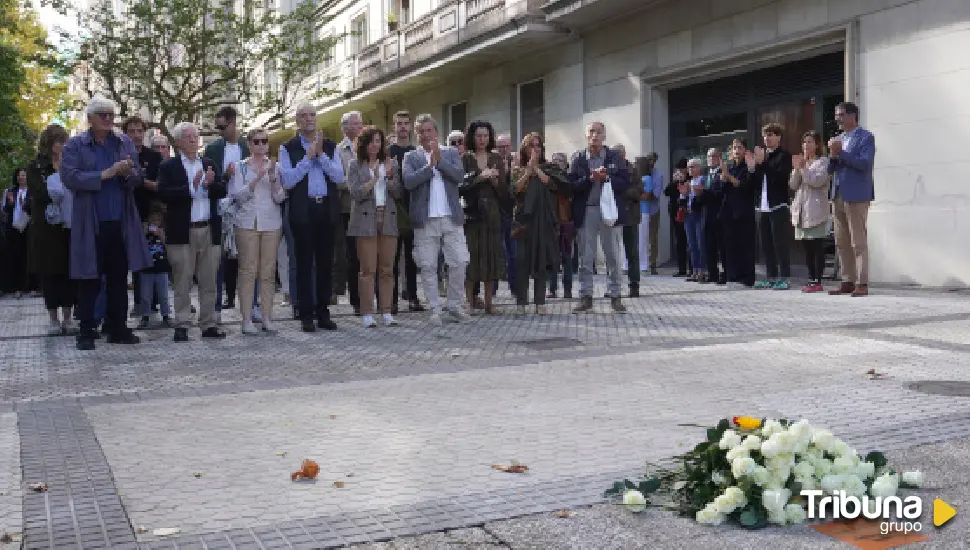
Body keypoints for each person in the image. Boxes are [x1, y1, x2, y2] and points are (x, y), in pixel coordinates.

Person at [60, 96, 153, 351]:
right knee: (89, 278)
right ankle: (86, 330)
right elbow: (69, 177)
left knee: (118, 277)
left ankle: (117, 328)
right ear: (90, 118)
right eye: (103, 114)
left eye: (111, 114)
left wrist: (128, 173)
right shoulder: (76, 145)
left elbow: (137, 179)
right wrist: (104, 174)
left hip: (120, 222)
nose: (109, 118)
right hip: (91, 223)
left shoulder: (122, 143)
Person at [157, 122, 227, 342]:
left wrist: (209, 184)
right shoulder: (169, 166)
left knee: (209, 281)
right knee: (182, 280)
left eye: (195, 136)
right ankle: (182, 324)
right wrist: (191, 187)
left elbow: (222, 189)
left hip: (208, 229)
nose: (193, 140)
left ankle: (208, 324)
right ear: (177, 141)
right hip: (182, 232)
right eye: (188, 137)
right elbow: (164, 193)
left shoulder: (208, 163)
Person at [278, 103, 344, 333]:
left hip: (325, 208)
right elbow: (288, 181)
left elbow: (338, 176)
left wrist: (321, 156)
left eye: (312, 115)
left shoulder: (329, 145)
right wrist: (307, 158)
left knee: (326, 263)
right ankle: (305, 313)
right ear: (297, 121)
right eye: (303, 115)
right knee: (304, 263)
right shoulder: (288, 148)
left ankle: (323, 311)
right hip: (303, 211)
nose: (309, 119)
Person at [402, 113, 470, 325]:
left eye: (428, 130)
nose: (425, 135)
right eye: (420, 132)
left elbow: (459, 177)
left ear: (437, 132)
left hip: (451, 217)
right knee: (428, 265)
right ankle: (434, 308)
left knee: (459, 261)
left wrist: (439, 162)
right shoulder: (410, 157)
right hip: (425, 219)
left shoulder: (450, 153)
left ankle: (454, 305)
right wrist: (429, 166)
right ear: (416, 135)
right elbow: (409, 182)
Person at [568, 121, 630, 314]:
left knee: (612, 255)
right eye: (591, 132)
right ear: (586, 135)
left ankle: (615, 296)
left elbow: (625, 182)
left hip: (609, 211)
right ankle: (586, 297)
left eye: (598, 132)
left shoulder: (614, 156)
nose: (594, 135)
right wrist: (589, 179)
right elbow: (571, 186)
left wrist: (607, 178)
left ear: (604, 136)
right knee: (585, 257)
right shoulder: (578, 158)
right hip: (587, 210)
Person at [230, 127, 285, 334]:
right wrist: (256, 179)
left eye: (265, 141)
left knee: (268, 272)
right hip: (247, 223)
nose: (262, 145)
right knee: (247, 271)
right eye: (257, 142)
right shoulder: (240, 167)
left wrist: (271, 177)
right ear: (250, 145)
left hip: (271, 222)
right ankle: (246, 320)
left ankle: (267, 317)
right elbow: (237, 196)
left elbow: (280, 198)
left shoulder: (276, 167)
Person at [347, 126, 402, 327]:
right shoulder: (355, 165)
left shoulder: (391, 164)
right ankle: (367, 313)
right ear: (363, 144)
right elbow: (355, 193)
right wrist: (373, 180)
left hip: (387, 218)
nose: (375, 145)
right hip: (364, 221)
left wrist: (387, 177)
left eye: (378, 141)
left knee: (387, 269)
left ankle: (386, 312)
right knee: (367, 269)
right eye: (371, 141)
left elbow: (398, 193)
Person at [511, 132, 568, 314]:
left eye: (538, 145)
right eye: (531, 145)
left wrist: (536, 169)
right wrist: (528, 171)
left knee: (541, 261)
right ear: (524, 149)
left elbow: (553, 185)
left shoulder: (549, 167)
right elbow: (515, 189)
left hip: (543, 221)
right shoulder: (516, 168)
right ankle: (521, 302)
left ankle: (540, 302)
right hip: (522, 221)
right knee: (521, 261)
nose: (535, 149)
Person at [27, 124, 75, 335]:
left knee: (68, 273)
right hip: (46, 230)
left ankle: (68, 318)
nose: (64, 146)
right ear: (50, 143)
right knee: (50, 275)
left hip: (67, 226)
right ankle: (53, 319)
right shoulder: (36, 166)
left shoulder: (70, 164)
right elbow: (39, 192)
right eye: (60, 142)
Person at [205, 106, 250, 318]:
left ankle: (250, 306)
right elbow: (210, 181)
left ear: (233, 123)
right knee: (218, 259)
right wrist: (225, 174)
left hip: (246, 208)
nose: (220, 131)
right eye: (218, 127)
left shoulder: (248, 145)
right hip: (221, 208)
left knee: (247, 259)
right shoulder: (213, 149)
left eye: (223, 126)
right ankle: (216, 307)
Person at [828, 101, 876, 297]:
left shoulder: (866, 137)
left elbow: (865, 164)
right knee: (841, 241)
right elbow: (830, 169)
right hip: (838, 194)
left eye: (840, 114)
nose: (837, 118)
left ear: (852, 115)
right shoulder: (837, 139)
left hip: (857, 195)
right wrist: (832, 155)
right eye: (836, 115)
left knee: (858, 241)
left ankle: (861, 283)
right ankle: (847, 280)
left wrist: (841, 153)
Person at [460, 120, 506, 314]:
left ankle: (489, 303)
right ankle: (469, 302)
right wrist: (480, 177)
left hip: (492, 214)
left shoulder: (496, 158)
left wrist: (495, 181)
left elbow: (505, 191)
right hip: (472, 214)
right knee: (472, 256)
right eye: (478, 135)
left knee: (490, 255)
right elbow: (460, 187)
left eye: (485, 136)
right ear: (472, 137)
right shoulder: (465, 159)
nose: (482, 139)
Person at [387, 110, 423, 313]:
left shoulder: (416, 152)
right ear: (394, 127)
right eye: (398, 123)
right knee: (392, 258)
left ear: (410, 127)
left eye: (405, 123)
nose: (402, 127)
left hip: (413, 209)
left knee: (411, 257)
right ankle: (390, 300)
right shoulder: (388, 151)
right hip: (393, 209)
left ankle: (412, 297)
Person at [751, 123, 794, 290]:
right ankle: (771, 277)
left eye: (771, 135)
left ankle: (785, 277)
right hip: (762, 207)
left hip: (778, 205)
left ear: (779, 137)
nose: (767, 138)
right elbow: (756, 183)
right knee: (766, 244)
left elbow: (780, 178)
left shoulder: (784, 156)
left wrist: (762, 164)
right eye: (765, 135)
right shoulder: (762, 157)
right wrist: (752, 169)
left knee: (780, 243)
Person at [789, 130, 831, 293]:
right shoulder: (803, 162)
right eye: (804, 142)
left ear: (818, 145)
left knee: (817, 246)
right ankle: (810, 278)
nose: (806, 145)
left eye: (810, 142)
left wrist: (804, 167)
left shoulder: (823, 162)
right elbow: (793, 185)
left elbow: (815, 181)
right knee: (807, 247)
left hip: (816, 210)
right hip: (801, 211)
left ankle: (818, 280)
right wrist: (796, 169)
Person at [335, 110, 364, 312]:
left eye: (361, 123)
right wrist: (359, 185)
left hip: (370, 208)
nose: (360, 126)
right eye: (355, 123)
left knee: (369, 256)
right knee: (353, 256)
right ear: (345, 127)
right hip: (348, 209)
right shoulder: (339, 151)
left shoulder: (368, 146)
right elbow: (338, 180)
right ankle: (356, 300)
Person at [719, 138, 756, 287]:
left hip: (745, 211)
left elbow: (745, 185)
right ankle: (733, 276)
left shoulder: (749, 167)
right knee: (731, 245)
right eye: (734, 148)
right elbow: (724, 191)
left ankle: (747, 278)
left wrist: (729, 178)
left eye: (739, 147)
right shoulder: (730, 167)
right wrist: (723, 179)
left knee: (745, 246)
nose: (736, 151)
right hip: (730, 211)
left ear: (745, 150)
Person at [136, 208, 172, 328]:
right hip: (147, 269)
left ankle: (166, 316)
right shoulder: (144, 233)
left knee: (163, 295)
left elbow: (169, 246)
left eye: (158, 220)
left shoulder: (163, 232)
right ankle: (145, 317)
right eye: (153, 220)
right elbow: (138, 244)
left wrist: (162, 236)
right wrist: (144, 232)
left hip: (161, 268)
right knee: (145, 295)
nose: (155, 223)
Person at [614, 144, 641, 297]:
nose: (616, 156)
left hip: (630, 216)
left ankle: (634, 285)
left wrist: (622, 190)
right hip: (613, 218)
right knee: (612, 254)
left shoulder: (634, 170)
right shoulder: (609, 170)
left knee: (632, 253)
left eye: (618, 154)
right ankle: (613, 287)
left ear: (624, 155)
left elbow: (639, 191)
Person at [546, 152, 574, 299]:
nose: (557, 162)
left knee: (566, 257)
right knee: (551, 257)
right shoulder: (548, 179)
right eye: (555, 160)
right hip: (551, 221)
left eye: (560, 160)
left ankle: (567, 289)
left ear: (565, 163)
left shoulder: (568, 179)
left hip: (566, 222)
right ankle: (552, 288)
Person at [701, 148, 727, 284]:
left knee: (722, 247)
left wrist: (704, 192)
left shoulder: (722, 174)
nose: (711, 159)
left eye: (713, 156)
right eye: (708, 156)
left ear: (719, 158)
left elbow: (720, 193)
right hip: (707, 216)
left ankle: (725, 273)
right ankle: (712, 273)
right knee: (709, 246)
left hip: (719, 214)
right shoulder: (706, 176)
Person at [3, 168, 30, 298]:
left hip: (28, 227)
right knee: (15, 257)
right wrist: (12, 203)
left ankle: (30, 286)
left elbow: (33, 208)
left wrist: (24, 203)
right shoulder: (11, 191)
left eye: (24, 175)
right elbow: (6, 210)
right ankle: (16, 287)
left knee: (29, 256)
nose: (21, 177)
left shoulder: (32, 191)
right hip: (14, 227)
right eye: (19, 175)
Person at [683, 158, 708, 282]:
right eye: (688, 167)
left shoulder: (703, 179)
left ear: (699, 167)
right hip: (688, 215)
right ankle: (695, 269)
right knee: (692, 244)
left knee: (700, 243)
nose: (690, 170)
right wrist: (684, 194)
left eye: (693, 167)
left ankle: (702, 270)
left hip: (699, 214)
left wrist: (699, 192)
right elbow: (683, 200)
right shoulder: (688, 182)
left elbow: (704, 197)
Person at [665, 158, 690, 276]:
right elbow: (666, 192)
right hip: (676, 213)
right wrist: (675, 181)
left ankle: (693, 268)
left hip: (688, 212)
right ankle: (682, 269)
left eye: (682, 169)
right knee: (680, 241)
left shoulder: (690, 178)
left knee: (690, 241)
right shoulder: (675, 181)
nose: (680, 171)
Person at [640, 153, 663, 276]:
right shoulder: (639, 173)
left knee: (652, 238)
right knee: (640, 238)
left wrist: (643, 193)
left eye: (653, 160)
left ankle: (652, 264)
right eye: (648, 160)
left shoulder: (657, 174)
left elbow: (655, 194)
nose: (650, 163)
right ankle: (641, 263)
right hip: (640, 211)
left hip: (653, 210)